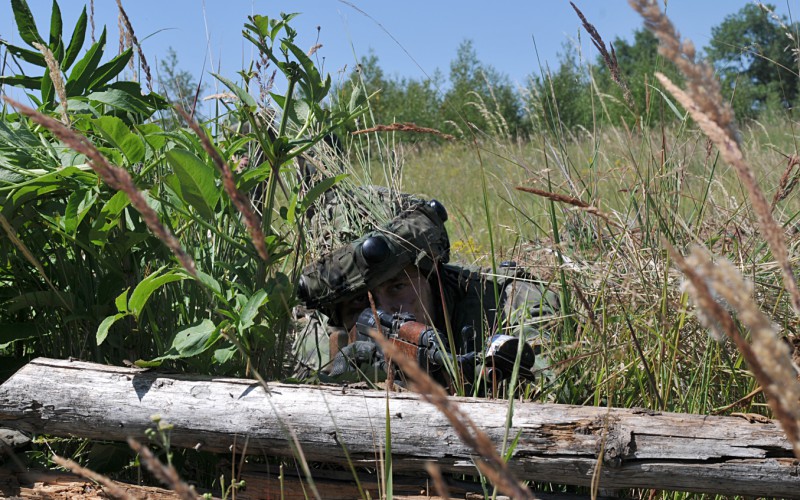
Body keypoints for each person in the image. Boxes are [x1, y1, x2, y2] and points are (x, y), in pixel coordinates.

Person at [291, 189, 561, 394]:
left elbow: (547, 390)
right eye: (361, 301)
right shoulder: (321, 342)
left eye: (397, 287)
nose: (383, 313)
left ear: (431, 276)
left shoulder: (510, 303)